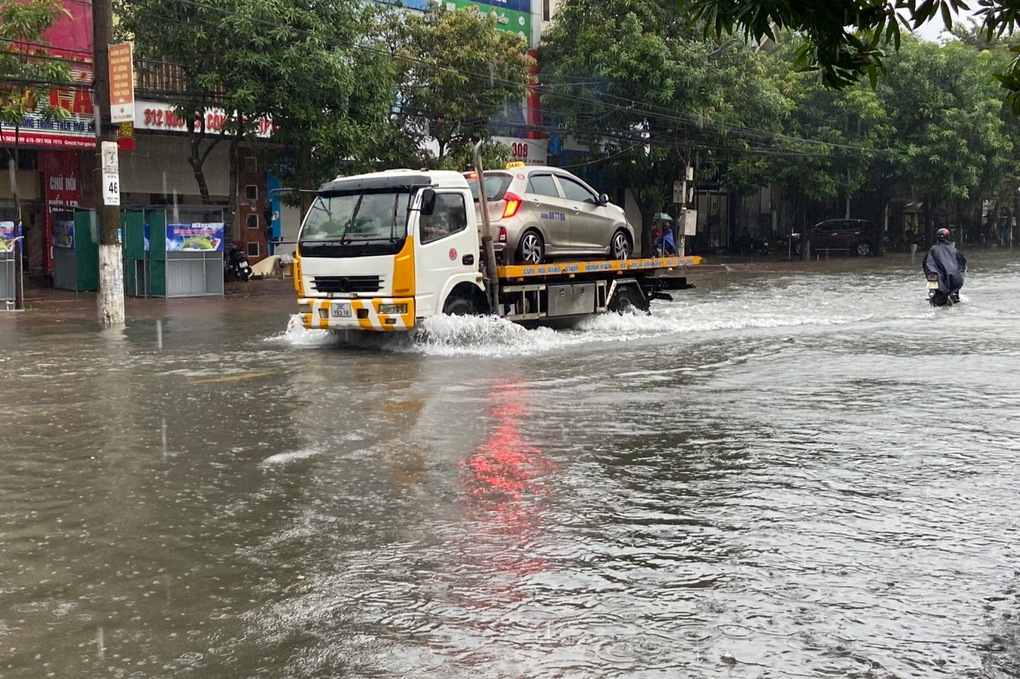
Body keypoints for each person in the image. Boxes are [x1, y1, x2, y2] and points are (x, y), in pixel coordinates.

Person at [922, 228, 967, 304]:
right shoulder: (953, 250)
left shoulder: (933, 249)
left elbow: (925, 263)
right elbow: (961, 263)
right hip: (950, 275)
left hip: (936, 274)